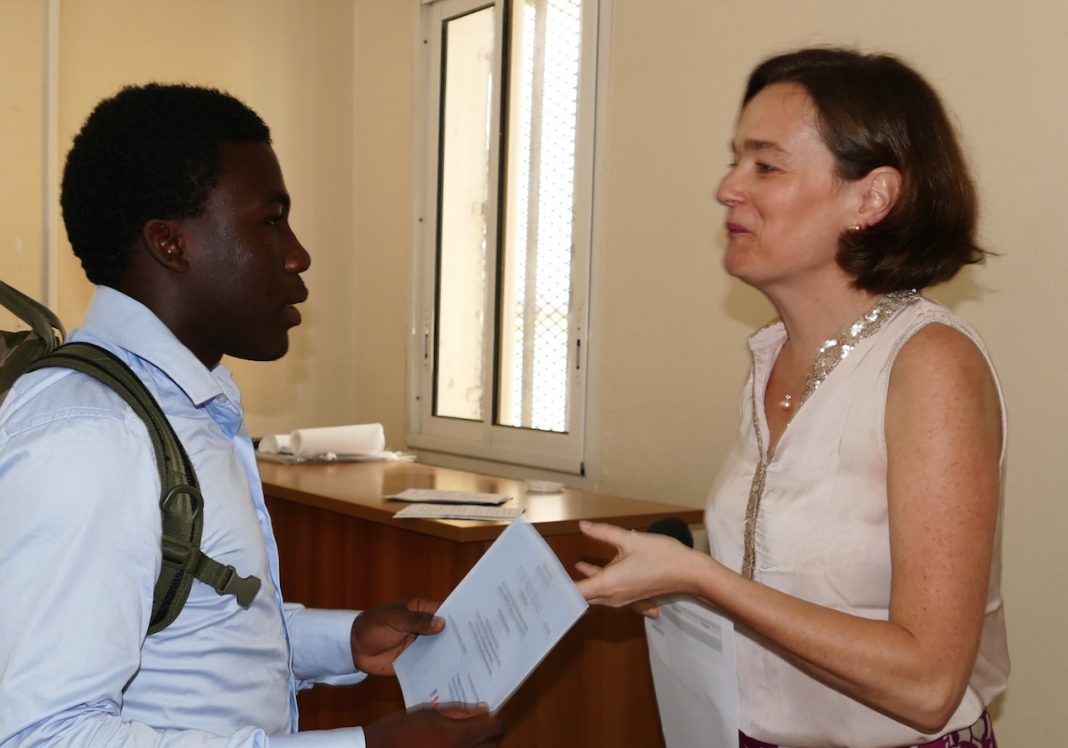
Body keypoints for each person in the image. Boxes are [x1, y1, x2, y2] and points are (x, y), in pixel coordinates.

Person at [0, 83, 503, 748]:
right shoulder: (91, 437)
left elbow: (202, 626)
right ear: (171, 244)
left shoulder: (181, 406)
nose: (298, 254)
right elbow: (42, 735)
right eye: (270, 222)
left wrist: (345, 640)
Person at [576, 48, 1008, 747]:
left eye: (765, 166)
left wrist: (704, 580)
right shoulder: (773, 352)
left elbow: (928, 685)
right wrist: (683, 588)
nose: (727, 188)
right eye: (734, 160)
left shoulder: (929, 364)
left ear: (871, 199)